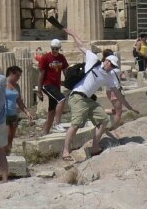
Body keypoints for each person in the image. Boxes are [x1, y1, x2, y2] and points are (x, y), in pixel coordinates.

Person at [60, 29, 126, 164]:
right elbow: (81, 46)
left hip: (89, 99)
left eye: (114, 66)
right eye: (111, 64)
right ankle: (65, 151)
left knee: (103, 119)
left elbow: (117, 92)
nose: (112, 67)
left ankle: (95, 147)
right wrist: (72, 34)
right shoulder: (94, 60)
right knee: (76, 124)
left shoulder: (108, 76)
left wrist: (129, 106)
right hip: (78, 96)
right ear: (106, 61)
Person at [37, 39, 69, 135]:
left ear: (59, 48)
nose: (54, 50)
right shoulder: (45, 58)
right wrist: (39, 90)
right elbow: (41, 74)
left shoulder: (61, 58)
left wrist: (68, 82)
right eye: (53, 48)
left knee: (52, 110)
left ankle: (46, 131)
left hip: (56, 86)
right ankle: (57, 124)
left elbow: (65, 71)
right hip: (47, 85)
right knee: (62, 99)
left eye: (56, 49)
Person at [4, 65, 34, 152]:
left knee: (12, 135)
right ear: (11, 74)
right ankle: (4, 153)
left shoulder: (17, 86)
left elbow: (19, 101)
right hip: (3, 113)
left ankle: (8, 152)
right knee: (7, 134)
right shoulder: (2, 84)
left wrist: (27, 112)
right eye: (17, 76)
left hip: (14, 113)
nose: (19, 78)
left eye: (19, 76)